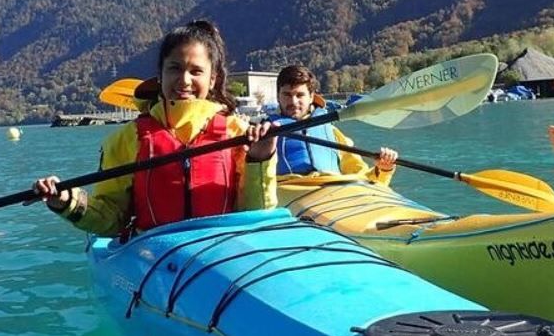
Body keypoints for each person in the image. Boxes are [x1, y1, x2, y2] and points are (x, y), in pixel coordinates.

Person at [33, 20, 278, 237]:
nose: (184, 80)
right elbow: (111, 220)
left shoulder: (239, 132)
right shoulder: (128, 139)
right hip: (157, 254)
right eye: (174, 68)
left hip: (221, 249)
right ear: (160, 75)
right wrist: (67, 201)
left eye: (196, 71)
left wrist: (260, 158)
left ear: (212, 79)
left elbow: (256, 214)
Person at [267, 65, 398, 184]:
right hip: (288, 189)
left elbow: (361, 176)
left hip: (330, 189)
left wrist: (383, 170)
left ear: (311, 97)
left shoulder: (331, 133)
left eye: (300, 95)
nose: (293, 101)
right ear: (278, 96)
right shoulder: (264, 132)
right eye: (287, 95)